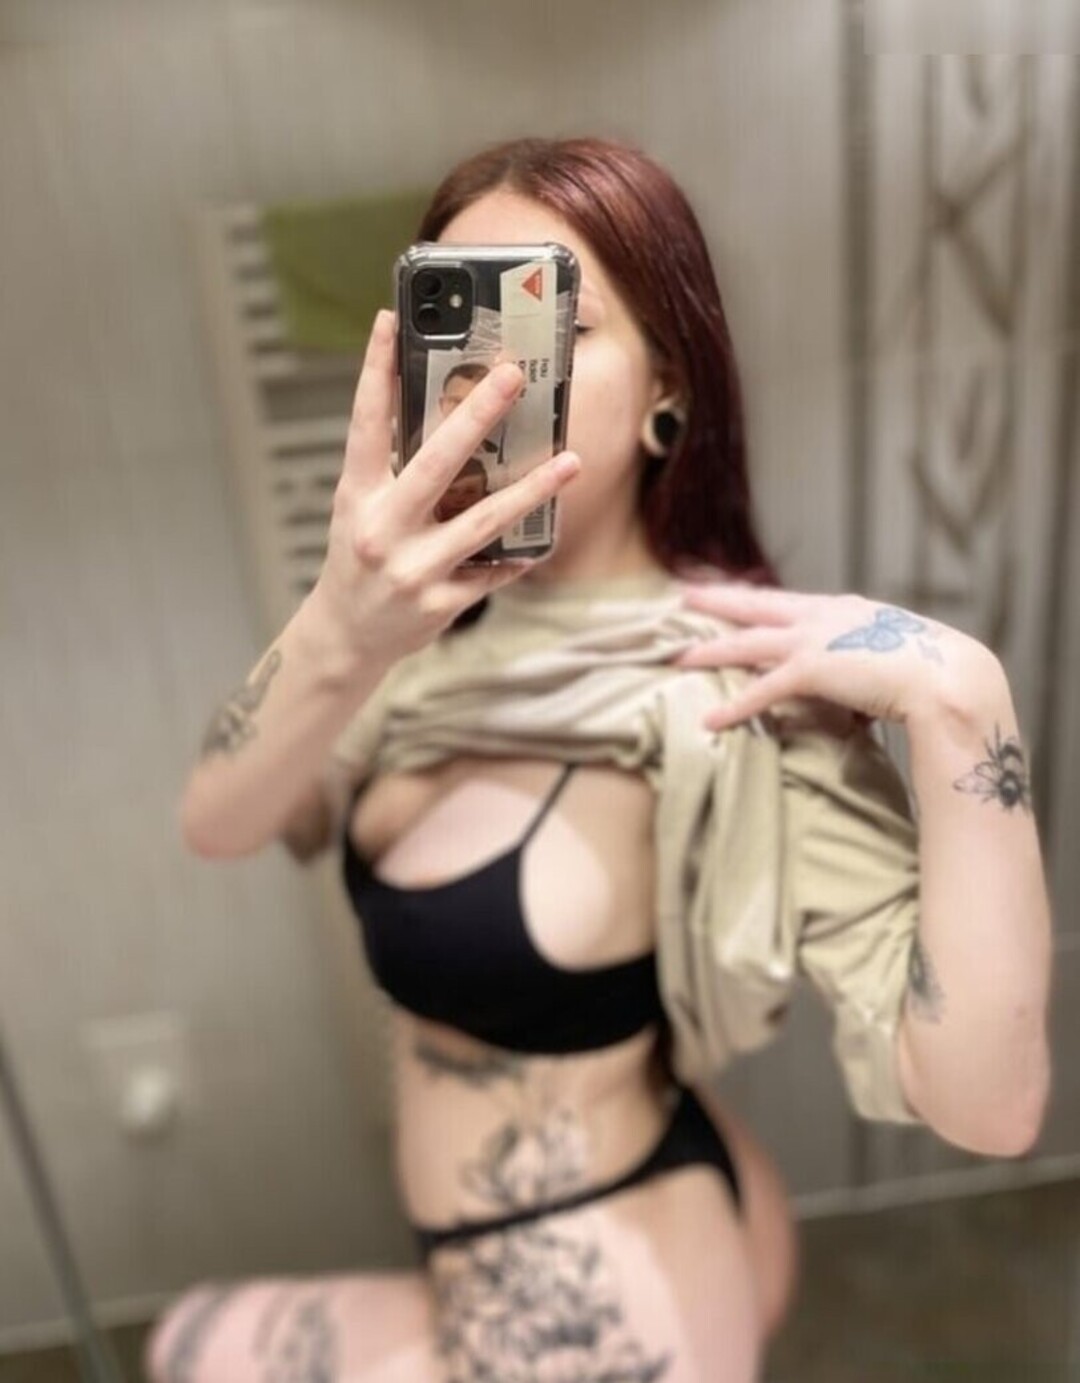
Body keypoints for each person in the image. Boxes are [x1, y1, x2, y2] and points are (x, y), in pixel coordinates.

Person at [147, 138, 1052, 1383]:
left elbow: (989, 1107)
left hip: (611, 1268)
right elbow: (220, 819)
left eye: (550, 324)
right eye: (461, 326)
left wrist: (962, 700)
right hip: (486, 1242)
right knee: (187, 1341)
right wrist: (337, 628)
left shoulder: (734, 686)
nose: (493, 383)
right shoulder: (406, 644)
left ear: (668, 378)